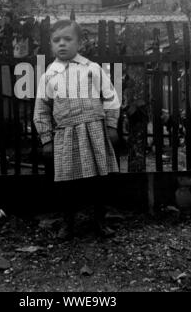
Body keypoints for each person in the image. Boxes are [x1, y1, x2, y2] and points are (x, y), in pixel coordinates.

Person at [33, 19, 120, 240]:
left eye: (68, 39)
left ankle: (100, 221)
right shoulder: (48, 76)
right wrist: (47, 139)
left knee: (99, 179)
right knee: (66, 183)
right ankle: (67, 223)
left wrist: (111, 125)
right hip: (66, 134)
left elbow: (110, 97)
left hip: (94, 132)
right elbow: (41, 109)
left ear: (79, 43)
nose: (62, 44)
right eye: (56, 40)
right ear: (51, 45)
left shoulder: (92, 69)